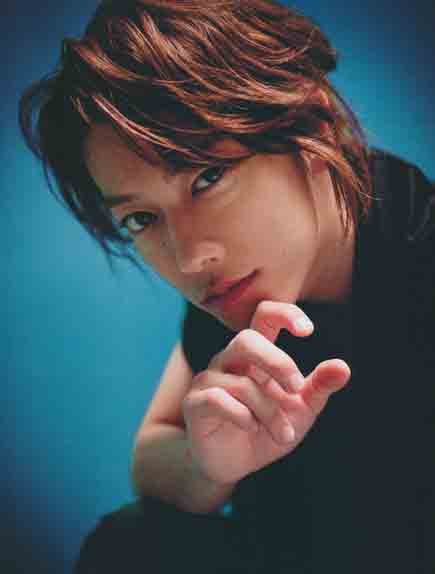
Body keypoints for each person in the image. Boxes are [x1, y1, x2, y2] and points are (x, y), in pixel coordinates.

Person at [19, 1, 434, 572]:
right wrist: (211, 465)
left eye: (208, 177)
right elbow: (152, 453)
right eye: (142, 218)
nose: (190, 256)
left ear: (313, 122)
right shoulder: (241, 282)